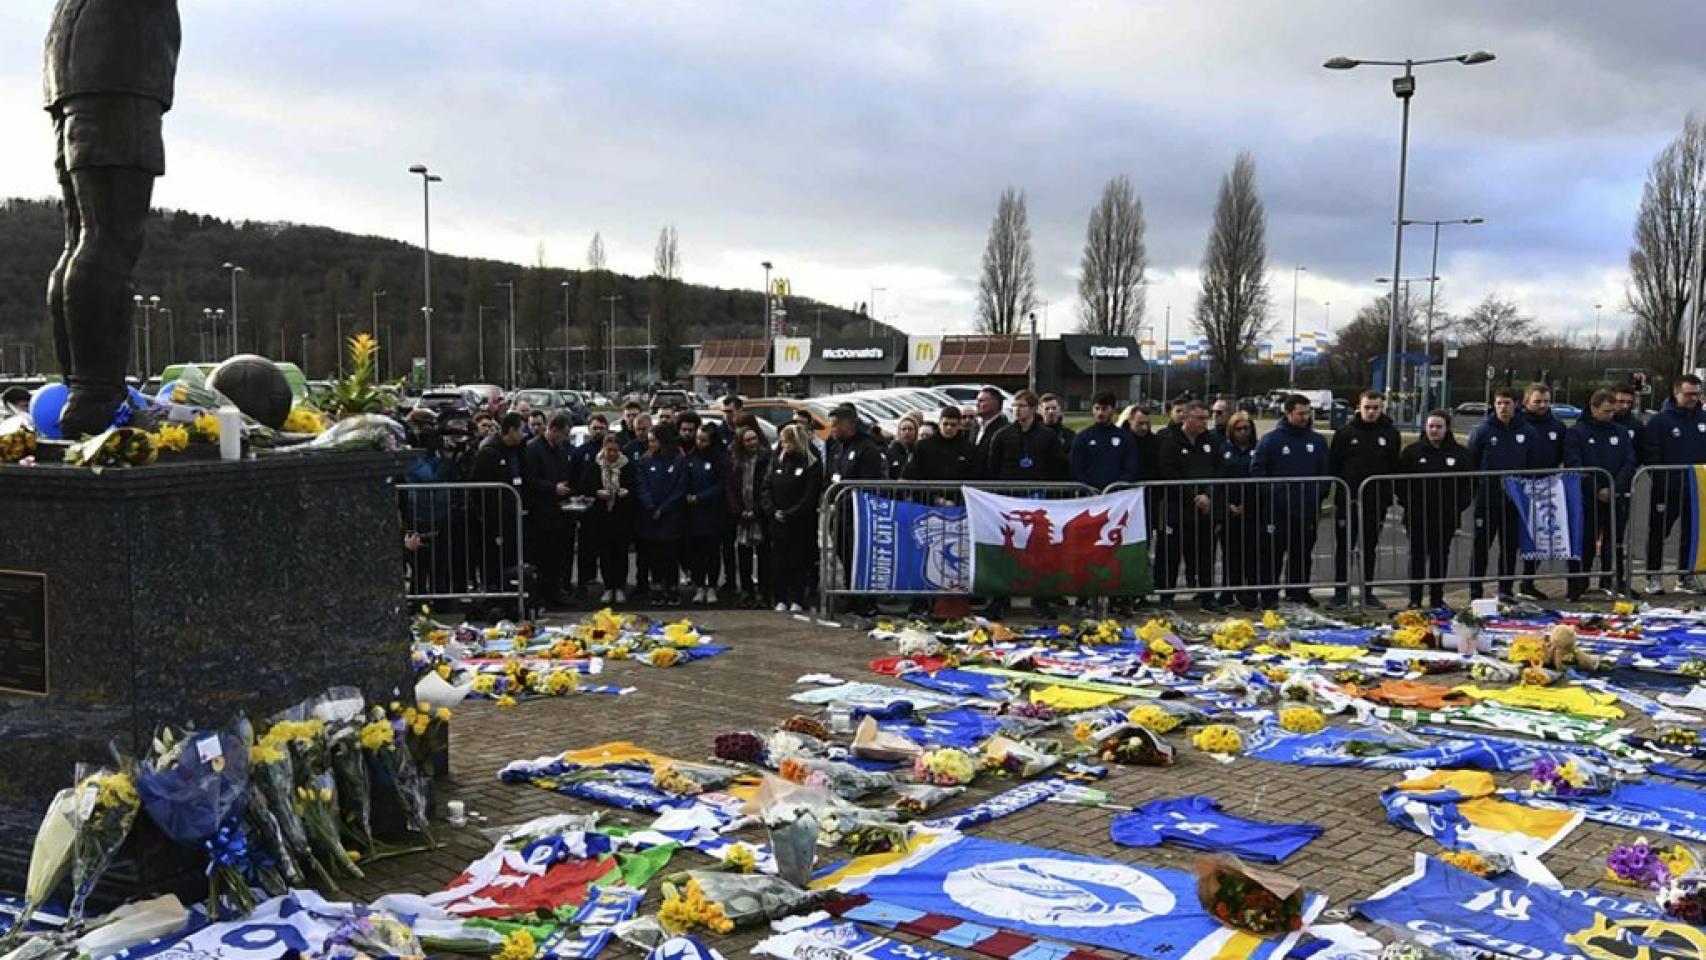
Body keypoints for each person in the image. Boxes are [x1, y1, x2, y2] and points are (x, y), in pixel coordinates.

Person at [44, 0, 182, 436]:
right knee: (108, 238)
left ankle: (86, 393)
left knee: (84, 238)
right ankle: (96, 397)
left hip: (78, 56)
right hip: (120, 57)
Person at [1251, 394, 1330, 607]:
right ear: (1288, 413)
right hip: (1276, 511)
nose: (1305, 417)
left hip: (1306, 510)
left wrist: (1318, 493)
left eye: (1308, 413)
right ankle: (1268, 596)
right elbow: (1257, 471)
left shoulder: (1317, 441)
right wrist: (1274, 492)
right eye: (1300, 413)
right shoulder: (1271, 440)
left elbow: (1325, 472)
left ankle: (1298, 592)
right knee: (1272, 555)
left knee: (1302, 554)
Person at [1329, 391, 1401, 608]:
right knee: (1344, 547)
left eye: (1375, 408)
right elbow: (1334, 465)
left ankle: (1368, 592)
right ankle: (1340, 593)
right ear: (1359, 407)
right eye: (1367, 407)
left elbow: (1393, 466)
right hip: (1348, 500)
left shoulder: (1390, 434)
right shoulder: (1344, 433)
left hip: (1376, 501)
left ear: (1382, 408)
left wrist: (1388, 495)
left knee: (1369, 547)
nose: (1371, 412)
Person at [1467, 388, 1539, 601]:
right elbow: (1472, 460)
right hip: (1487, 499)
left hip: (1514, 500)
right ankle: (1475, 591)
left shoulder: (1527, 431)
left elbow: (1532, 463)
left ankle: (1505, 590)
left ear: (1515, 404)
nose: (1502, 407)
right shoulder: (1483, 430)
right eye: (1499, 403)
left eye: (1507, 403)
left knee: (1509, 547)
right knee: (1481, 546)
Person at [1397, 410, 1473, 610]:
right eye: (1431, 426)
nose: (1434, 430)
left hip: (1446, 517)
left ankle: (1437, 599)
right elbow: (1400, 484)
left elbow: (1469, 485)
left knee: (1440, 557)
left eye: (1439, 426)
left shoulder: (1460, 454)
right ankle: (1414, 599)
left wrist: (1457, 506)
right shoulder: (1412, 452)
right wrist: (1410, 504)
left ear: (1447, 428)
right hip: (1417, 516)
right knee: (1417, 557)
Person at [1566, 390, 1636, 600]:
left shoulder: (1621, 432)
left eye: (1613, 411)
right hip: (1588, 498)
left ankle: (1613, 580)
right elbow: (1574, 463)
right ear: (1594, 408)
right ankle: (1578, 583)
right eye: (1606, 411)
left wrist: (1615, 487)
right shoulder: (1577, 432)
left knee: (1614, 542)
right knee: (1585, 541)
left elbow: (1630, 460)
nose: (1610, 415)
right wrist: (1597, 489)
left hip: (1616, 496)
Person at [1641, 374, 1706, 595]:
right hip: (1668, 489)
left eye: (1697, 394)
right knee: (1659, 532)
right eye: (1689, 394)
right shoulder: (1660, 421)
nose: (1694, 398)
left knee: (1692, 533)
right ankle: (1653, 576)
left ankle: (1685, 576)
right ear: (1676, 392)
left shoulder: (1703, 419)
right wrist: (1662, 480)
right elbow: (1650, 453)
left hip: (1697, 489)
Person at [1157, 401, 1222, 611]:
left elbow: (1219, 471)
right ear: (1187, 418)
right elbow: (1170, 474)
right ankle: (1167, 597)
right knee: (1171, 556)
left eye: (1206, 418)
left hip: (1204, 512)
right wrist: (1194, 497)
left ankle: (1207, 597)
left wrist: (1208, 496)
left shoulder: (1210, 441)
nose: (1205, 422)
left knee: (1205, 555)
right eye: (1200, 418)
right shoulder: (1170, 442)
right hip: (1177, 510)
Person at [825, 404, 887, 615]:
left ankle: (864, 598)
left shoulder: (867, 448)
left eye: (835, 425)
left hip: (858, 514)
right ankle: (850, 593)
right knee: (844, 553)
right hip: (839, 512)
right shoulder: (836, 447)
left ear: (848, 424)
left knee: (858, 554)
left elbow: (869, 481)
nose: (832, 430)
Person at [1516, 383, 1568, 599]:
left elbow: (1565, 454)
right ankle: (1502, 586)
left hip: (1547, 488)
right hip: (1521, 487)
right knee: (1514, 539)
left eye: (1546, 401)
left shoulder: (1558, 426)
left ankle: (1528, 581)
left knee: (1540, 538)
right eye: (1537, 401)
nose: (1542, 405)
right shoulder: (1518, 425)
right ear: (1526, 401)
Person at [522, 413, 580, 608]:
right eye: (563, 434)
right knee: (542, 556)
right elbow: (529, 480)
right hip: (541, 513)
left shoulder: (560, 449)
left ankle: (555, 590)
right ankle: (541, 594)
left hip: (559, 511)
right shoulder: (533, 449)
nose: (565, 439)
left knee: (558, 556)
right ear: (553, 430)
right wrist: (552, 488)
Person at [764, 424, 822, 613]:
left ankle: (798, 597)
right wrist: (773, 510)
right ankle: (780, 597)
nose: (782, 444)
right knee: (779, 560)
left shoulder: (810, 463)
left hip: (800, 523)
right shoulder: (776, 461)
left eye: (786, 441)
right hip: (777, 521)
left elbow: (810, 494)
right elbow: (766, 487)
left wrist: (792, 513)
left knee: (798, 560)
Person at [470, 412, 527, 595]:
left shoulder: (517, 451)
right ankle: (494, 593)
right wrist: (486, 512)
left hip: (512, 515)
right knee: (494, 560)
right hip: (494, 517)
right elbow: (476, 485)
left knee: (511, 557)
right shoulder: (489, 452)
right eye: (521, 431)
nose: (523, 435)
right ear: (510, 430)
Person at [578, 433, 637, 604]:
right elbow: (584, 486)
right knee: (605, 553)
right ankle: (609, 586)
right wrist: (597, 492)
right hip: (601, 516)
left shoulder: (627, 466)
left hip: (621, 515)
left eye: (614, 451)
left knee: (620, 553)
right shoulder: (594, 466)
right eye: (608, 450)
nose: (611, 454)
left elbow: (634, 486)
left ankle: (620, 586)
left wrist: (626, 492)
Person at [635, 422, 688, 605]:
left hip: (671, 516)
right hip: (650, 517)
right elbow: (641, 486)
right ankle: (656, 587)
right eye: (649, 441)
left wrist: (664, 508)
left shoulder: (678, 460)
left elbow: (680, 488)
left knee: (670, 554)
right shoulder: (644, 460)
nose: (650, 444)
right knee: (654, 554)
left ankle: (671, 588)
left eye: (653, 441)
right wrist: (650, 507)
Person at [1217, 411, 1263, 610]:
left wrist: (1248, 505)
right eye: (1239, 428)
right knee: (1230, 552)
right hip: (1229, 508)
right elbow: (1218, 478)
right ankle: (1228, 591)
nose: (1243, 432)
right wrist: (1228, 504)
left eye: (1246, 428)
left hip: (1252, 509)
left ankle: (1251, 594)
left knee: (1251, 553)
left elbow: (1259, 477)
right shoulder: (1223, 449)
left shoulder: (1259, 449)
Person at [683, 423, 730, 604]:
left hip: (713, 512)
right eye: (698, 439)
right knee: (695, 552)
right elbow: (685, 479)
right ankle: (699, 585)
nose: (700, 443)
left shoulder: (720, 459)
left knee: (711, 552)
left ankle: (711, 586)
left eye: (704, 440)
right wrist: (688, 495)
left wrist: (701, 497)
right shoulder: (690, 458)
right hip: (693, 514)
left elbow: (721, 484)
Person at [727, 426, 771, 608]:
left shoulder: (766, 459)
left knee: (764, 555)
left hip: (761, 513)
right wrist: (739, 510)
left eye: (754, 439)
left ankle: (764, 592)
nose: (752, 443)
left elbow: (768, 487)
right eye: (748, 440)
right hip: (742, 515)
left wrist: (758, 510)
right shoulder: (735, 462)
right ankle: (746, 591)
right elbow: (731, 488)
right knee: (743, 556)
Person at [988, 390, 1067, 481]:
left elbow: (1057, 465)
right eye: (1014, 405)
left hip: (1039, 488)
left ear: (1033, 409)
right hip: (1009, 488)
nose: (1017, 409)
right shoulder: (1002, 435)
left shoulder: (1048, 436)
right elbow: (994, 466)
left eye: (1021, 406)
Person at [1071, 391, 1139, 490]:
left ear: (1113, 410)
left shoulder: (1125, 438)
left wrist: (1115, 487)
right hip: (1089, 497)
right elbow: (1076, 468)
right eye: (1097, 408)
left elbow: (1131, 468)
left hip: (1117, 498)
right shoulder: (1082, 438)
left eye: (1104, 409)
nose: (1100, 413)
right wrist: (1089, 488)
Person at [904, 406, 978, 481]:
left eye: (953, 425)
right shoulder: (923, 446)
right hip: (928, 491)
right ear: (939, 423)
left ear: (959, 425)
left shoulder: (968, 448)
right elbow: (910, 473)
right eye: (945, 424)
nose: (949, 428)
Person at [971, 387, 1010, 476]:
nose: (977, 404)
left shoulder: (1004, 430)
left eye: (982, 401)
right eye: (977, 401)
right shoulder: (975, 427)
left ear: (995, 403)